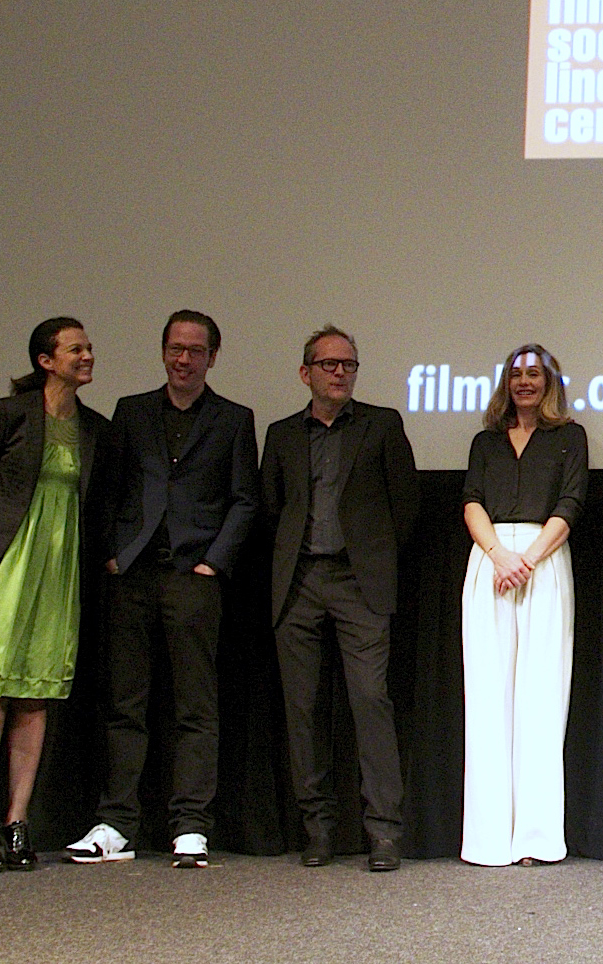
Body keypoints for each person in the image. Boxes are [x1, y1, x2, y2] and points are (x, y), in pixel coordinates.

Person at [66, 311, 258, 868]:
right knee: (125, 703)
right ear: (163, 352)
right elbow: (107, 488)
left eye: (195, 351)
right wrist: (111, 554)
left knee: (195, 707)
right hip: (133, 574)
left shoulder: (233, 418)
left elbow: (245, 499)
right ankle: (115, 823)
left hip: (194, 576)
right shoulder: (131, 412)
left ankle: (191, 826)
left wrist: (214, 564)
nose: (183, 359)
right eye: (175, 349)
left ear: (212, 358)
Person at [0, 317, 117, 871]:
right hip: (2, 567)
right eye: (75, 348)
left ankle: (16, 820)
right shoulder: (8, 413)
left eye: (88, 347)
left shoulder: (93, 427)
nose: (87, 355)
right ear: (45, 360)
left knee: (35, 693)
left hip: (56, 571)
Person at [262, 325, 419, 872]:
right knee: (303, 708)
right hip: (298, 583)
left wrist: (373, 560)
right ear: (306, 373)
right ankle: (318, 829)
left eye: (348, 365)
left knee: (370, 702)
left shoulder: (381, 425)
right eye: (329, 364)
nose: (339, 373)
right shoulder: (282, 434)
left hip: (360, 583)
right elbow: (271, 507)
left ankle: (384, 831)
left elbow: (405, 505)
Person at [460, 344, 588, 866]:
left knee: (540, 699)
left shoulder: (569, 437)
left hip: (544, 560)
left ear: (550, 381)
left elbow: (571, 503)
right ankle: (488, 839)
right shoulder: (485, 441)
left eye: (534, 374)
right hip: (490, 563)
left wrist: (527, 559)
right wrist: (498, 555)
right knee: (489, 701)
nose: (524, 382)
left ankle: (535, 838)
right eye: (516, 375)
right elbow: (471, 501)